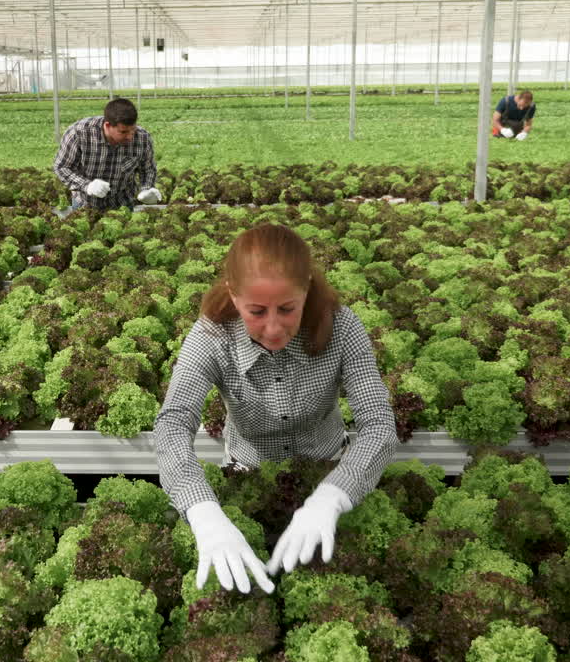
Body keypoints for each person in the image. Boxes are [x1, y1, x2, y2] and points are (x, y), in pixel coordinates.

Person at [154, 224, 399, 595]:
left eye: (287, 309)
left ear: (306, 292)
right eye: (256, 311)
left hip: (328, 468)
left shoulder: (342, 327)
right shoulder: (212, 336)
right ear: (234, 297)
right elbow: (173, 422)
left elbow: (379, 423)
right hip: (246, 474)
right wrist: (203, 511)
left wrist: (333, 495)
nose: (272, 327)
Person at [53, 97, 161, 213]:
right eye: (123, 132)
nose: (130, 136)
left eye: (133, 130)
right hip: (85, 203)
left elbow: (147, 169)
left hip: (123, 204)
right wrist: (87, 185)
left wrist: (146, 189)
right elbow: (62, 167)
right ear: (108, 125)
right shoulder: (79, 133)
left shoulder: (142, 138)